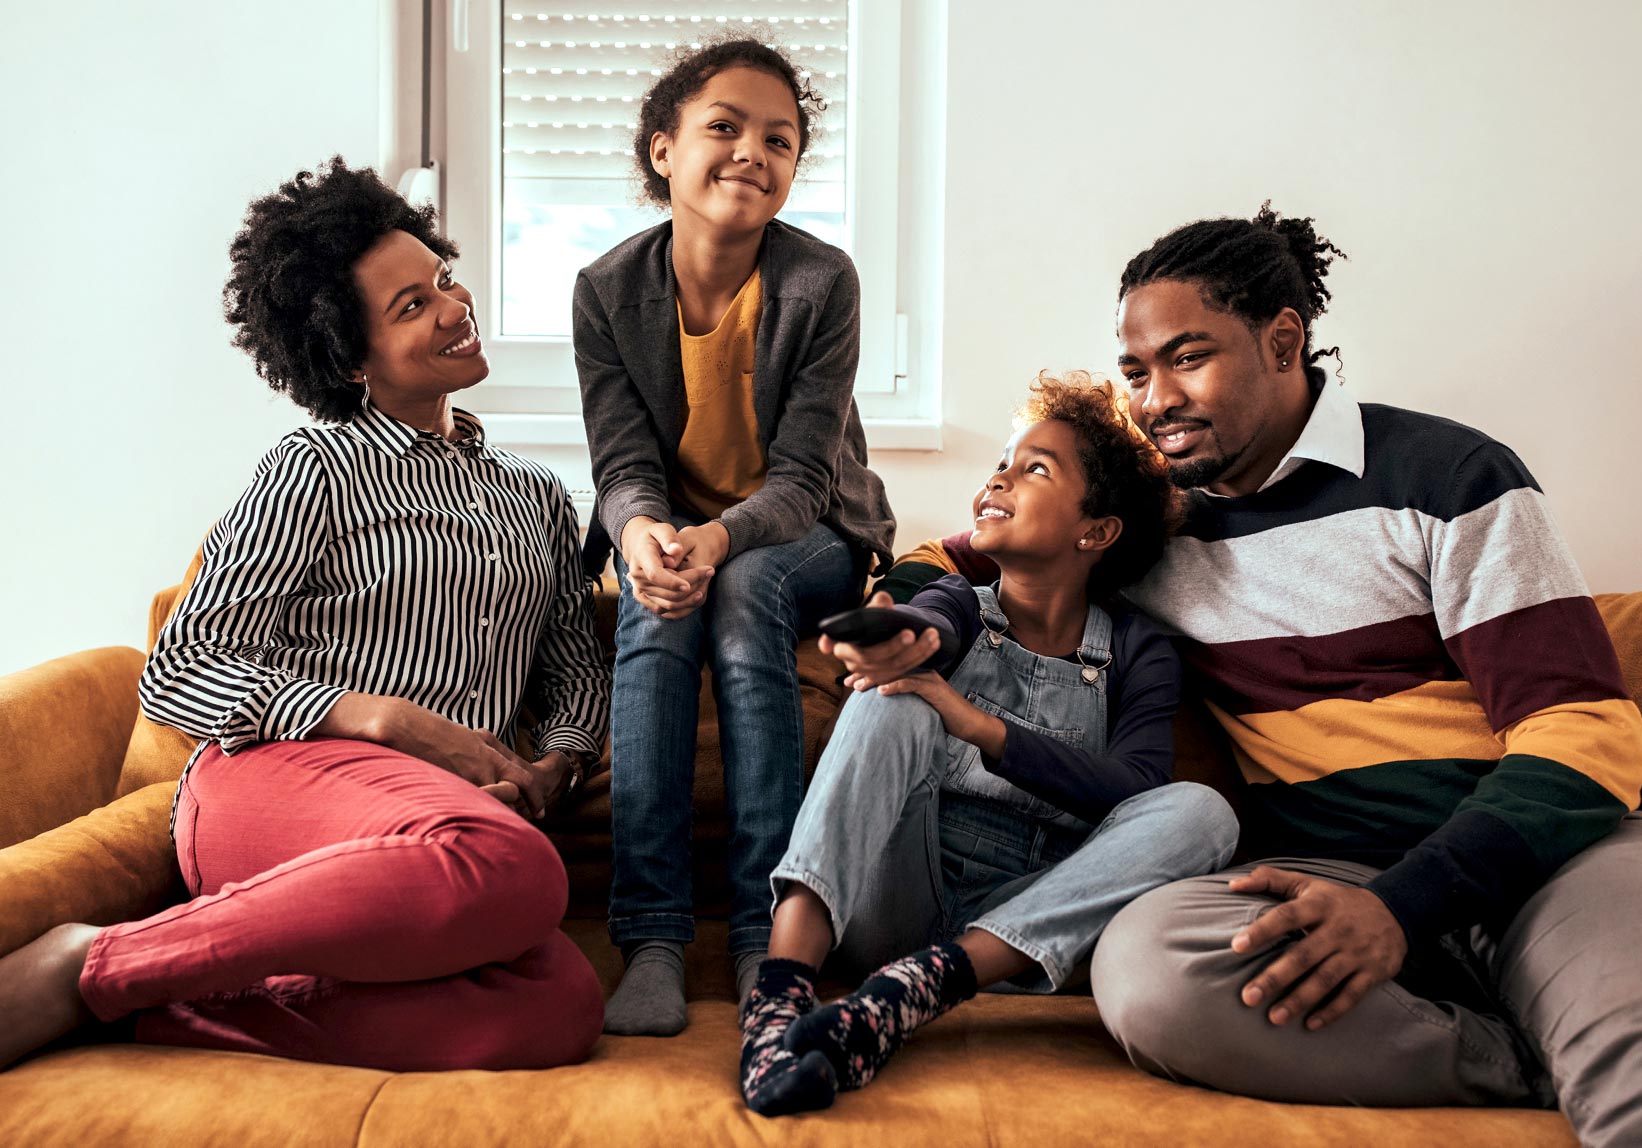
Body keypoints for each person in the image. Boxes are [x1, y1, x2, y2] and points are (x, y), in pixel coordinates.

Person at [895, 204, 1642, 1145]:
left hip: (1559, 858)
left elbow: (1587, 733)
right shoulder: (1150, 523)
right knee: (1148, 970)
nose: (1156, 398)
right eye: (1136, 371)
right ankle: (1520, 1061)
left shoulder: (1447, 473)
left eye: (1188, 357)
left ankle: (1590, 1023)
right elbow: (958, 550)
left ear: (1282, 340)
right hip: (1328, 873)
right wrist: (912, 615)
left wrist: (1404, 907)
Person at [0, 158, 610, 1073]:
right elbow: (181, 666)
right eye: (411, 306)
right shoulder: (314, 467)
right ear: (349, 356)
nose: (454, 306)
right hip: (275, 786)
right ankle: (85, 963)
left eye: (442, 280)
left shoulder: (536, 497)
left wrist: (552, 768)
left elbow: (572, 669)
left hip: (437, 831)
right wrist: (389, 720)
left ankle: (151, 1005)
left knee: (559, 1006)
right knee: (513, 865)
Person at [736, 373, 1239, 1116]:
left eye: (1036, 467)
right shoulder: (957, 606)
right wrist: (901, 644)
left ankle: (909, 994)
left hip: (1019, 923)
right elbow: (930, 627)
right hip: (897, 894)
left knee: (1204, 813)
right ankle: (776, 1007)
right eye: (1002, 460)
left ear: (1095, 531)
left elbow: (1135, 787)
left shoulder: (1139, 650)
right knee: (898, 700)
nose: (1000, 475)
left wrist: (977, 727)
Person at [573, 36, 895, 1038]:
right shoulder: (603, 290)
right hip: (676, 535)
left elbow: (800, 483)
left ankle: (767, 935)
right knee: (652, 609)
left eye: (779, 139)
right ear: (663, 148)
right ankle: (655, 934)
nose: (752, 151)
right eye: (724, 127)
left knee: (747, 580)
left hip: (807, 535)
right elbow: (621, 465)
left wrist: (715, 539)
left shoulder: (821, 282)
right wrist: (639, 538)